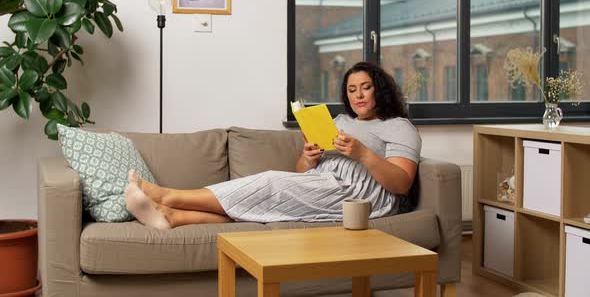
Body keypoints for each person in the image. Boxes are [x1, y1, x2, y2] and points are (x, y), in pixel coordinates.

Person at [125, 61, 422, 229]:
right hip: (323, 181)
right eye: (352, 90)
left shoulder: (398, 127)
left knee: (269, 182)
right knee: (261, 202)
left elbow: (401, 183)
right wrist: (309, 158)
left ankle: (169, 196)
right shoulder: (341, 120)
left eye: (366, 88)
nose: (358, 96)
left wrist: (363, 154)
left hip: (361, 193)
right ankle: (171, 217)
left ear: (379, 90)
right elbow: (299, 169)